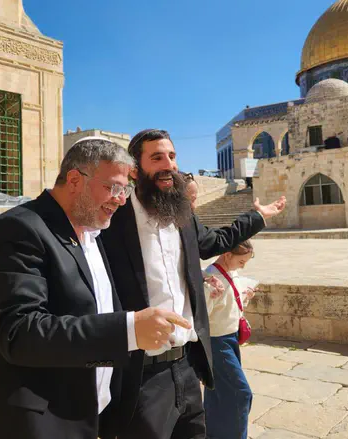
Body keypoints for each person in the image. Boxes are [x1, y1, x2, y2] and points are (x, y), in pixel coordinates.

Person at [0, 138, 191, 439]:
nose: (121, 199)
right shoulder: (18, 230)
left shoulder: (93, 235)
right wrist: (128, 330)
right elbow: (19, 332)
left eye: (125, 190)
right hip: (29, 424)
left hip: (84, 417)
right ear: (75, 180)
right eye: (113, 187)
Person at [100, 129, 286, 439]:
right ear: (135, 169)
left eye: (172, 156)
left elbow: (214, 242)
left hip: (186, 365)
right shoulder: (114, 219)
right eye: (157, 157)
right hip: (141, 372)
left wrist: (258, 217)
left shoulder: (181, 214)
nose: (168, 164)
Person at [203, 240, 257, 439]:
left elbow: (227, 307)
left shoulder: (231, 273)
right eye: (241, 262)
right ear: (227, 255)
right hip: (217, 342)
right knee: (241, 393)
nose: (242, 266)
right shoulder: (210, 279)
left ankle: (211, 432)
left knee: (217, 390)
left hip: (230, 338)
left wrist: (246, 296)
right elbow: (202, 317)